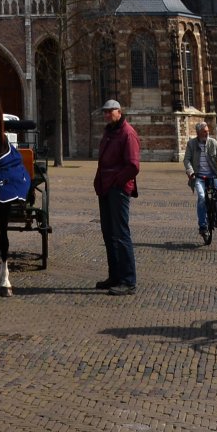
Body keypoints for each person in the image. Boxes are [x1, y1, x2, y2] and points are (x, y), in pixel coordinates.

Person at [93, 98, 140, 295]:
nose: (106, 115)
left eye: (109, 111)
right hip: (105, 187)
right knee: (109, 233)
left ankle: (128, 281)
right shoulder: (109, 132)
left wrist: (116, 182)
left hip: (117, 189)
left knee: (121, 234)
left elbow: (133, 166)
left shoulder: (127, 133)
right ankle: (115, 276)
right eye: (104, 112)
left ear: (119, 112)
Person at [184, 121, 217, 245]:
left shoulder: (212, 142)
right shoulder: (191, 144)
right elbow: (186, 159)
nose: (207, 133)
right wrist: (190, 171)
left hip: (213, 174)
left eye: (207, 131)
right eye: (204, 132)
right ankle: (203, 225)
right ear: (198, 133)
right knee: (202, 197)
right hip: (199, 176)